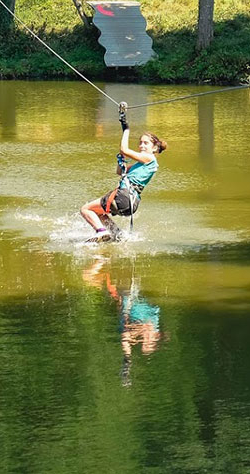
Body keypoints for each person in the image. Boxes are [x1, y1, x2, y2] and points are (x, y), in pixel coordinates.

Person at [79, 104, 166, 241]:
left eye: (146, 143)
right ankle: (116, 234)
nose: (141, 145)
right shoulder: (141, 164)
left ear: (154, 148)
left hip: (124, 197)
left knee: (86, 209)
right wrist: (121, 162)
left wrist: (126, 128)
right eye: (140, 143)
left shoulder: (150, 159)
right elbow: (120, 172)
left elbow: (124, 149)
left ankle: (101, 231)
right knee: (98, 212)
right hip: (130, 202)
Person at [82, 257, 162, 386]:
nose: (145, 339)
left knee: (87, 276)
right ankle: (112, 257)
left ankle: (103, 258)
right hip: (131, 292)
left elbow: (126, 340)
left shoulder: (130, 334)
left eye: (143, 342)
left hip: (118, 294)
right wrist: (136, 332)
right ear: (156, 335)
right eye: (148, 340)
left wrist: (127, 363)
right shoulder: (152, 322)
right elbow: (148, 326)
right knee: (122, 279)